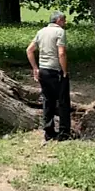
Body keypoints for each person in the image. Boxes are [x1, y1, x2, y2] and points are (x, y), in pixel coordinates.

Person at [26, 11, 71, 143]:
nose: (65, 23)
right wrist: (64, 71)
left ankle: (48, 131)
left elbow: (29, 50)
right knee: (63, 101)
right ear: (58, 21)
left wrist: (35, 68)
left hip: (44, 71)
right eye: (63, 20)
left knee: (48, 100)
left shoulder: (41, 32)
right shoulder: (60, 32)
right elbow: (61, 53)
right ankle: (64, 132)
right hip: (55, 70)